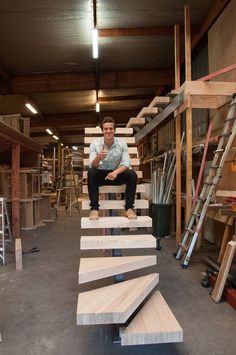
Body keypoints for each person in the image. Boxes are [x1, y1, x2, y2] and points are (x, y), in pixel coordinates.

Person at [88, 116, 137, 220]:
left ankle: (129, 208)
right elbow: (93, 165)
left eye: (111, 128)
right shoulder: (95, 144)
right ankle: (94, 209)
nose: (108, 131)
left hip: (116, 175)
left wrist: (116, 172)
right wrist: (98, 157)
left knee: (132, 174)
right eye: (106, 129)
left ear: (114, 130)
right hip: (101, 175)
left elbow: (126, 163)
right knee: (91, 173)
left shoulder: (122, 143)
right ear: (102, 130)